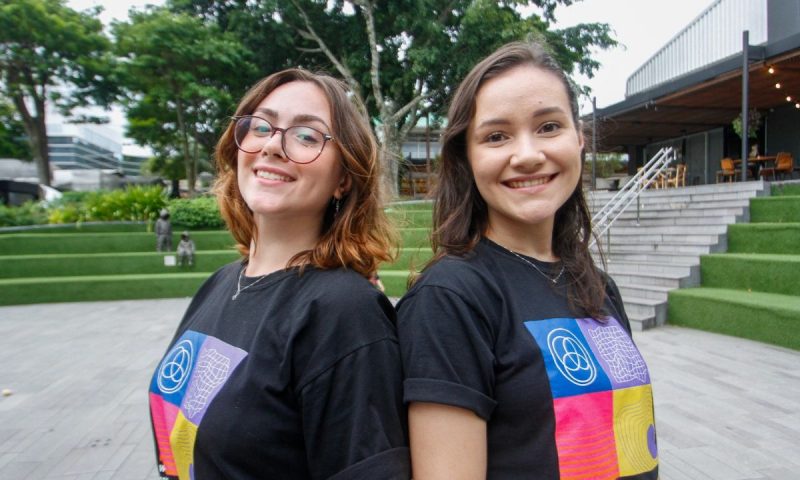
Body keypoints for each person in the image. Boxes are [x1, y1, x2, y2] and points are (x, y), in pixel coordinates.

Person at [396, 42, 658, 479]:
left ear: (579, 138)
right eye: (496, 136)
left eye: (548, 126)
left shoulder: (597, 287)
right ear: (467, 156)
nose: (528, 155)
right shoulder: (451, 298)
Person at [148, 68, 409, 479]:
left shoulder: (343, 311)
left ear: (343, 179)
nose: (272, 145)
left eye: (306, 135)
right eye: (260, 126)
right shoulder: (220, 283)